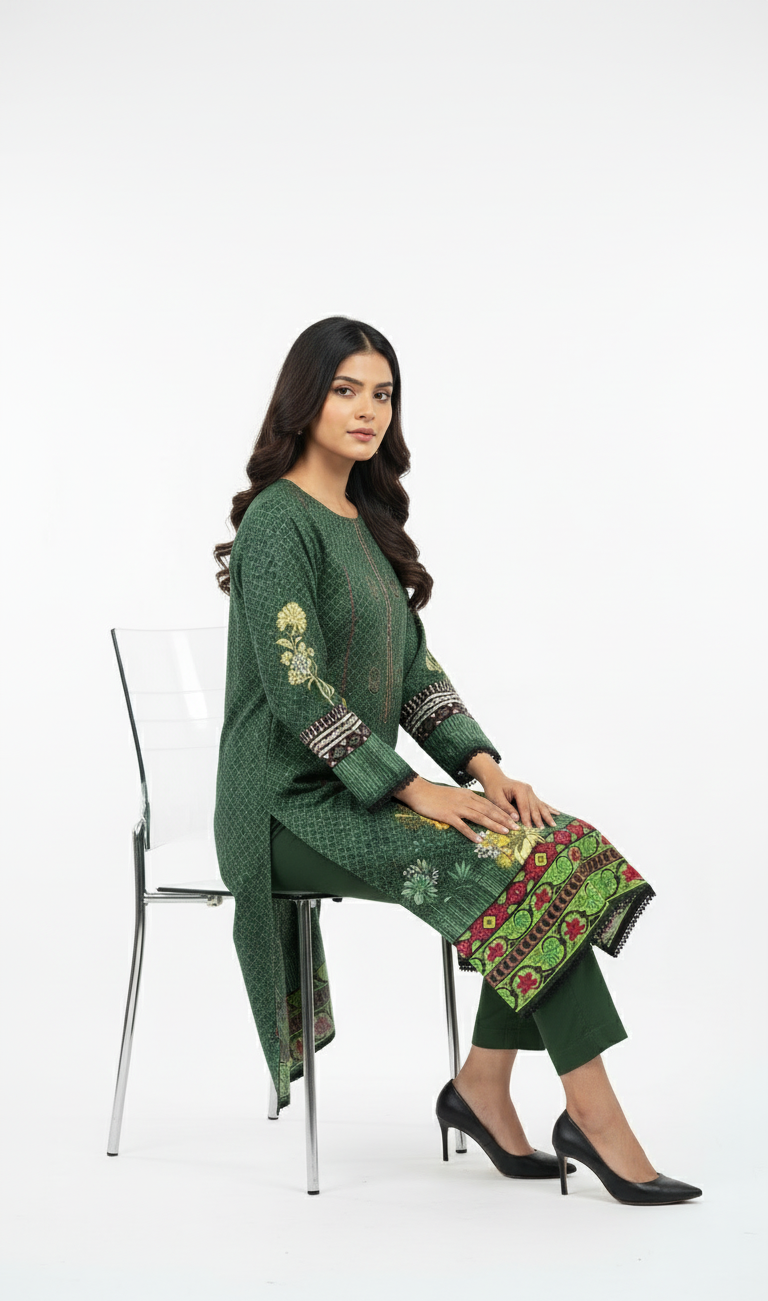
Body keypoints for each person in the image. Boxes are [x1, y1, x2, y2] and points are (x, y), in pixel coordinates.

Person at [213, 316, 701, 1206]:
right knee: (503, 862)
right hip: (283, 806)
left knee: (543, 841)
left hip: (357, 792)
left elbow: (414, 675)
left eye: (382, 393)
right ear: (305, 400)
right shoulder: (280, 521)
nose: (367, 410)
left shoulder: (364, 522)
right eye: (345, 390)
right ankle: (595, 1118)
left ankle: (481, 1086)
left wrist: (482, 769)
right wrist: (415, 790)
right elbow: (298, 690)